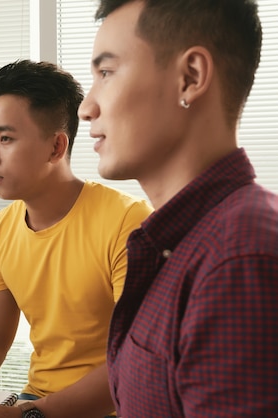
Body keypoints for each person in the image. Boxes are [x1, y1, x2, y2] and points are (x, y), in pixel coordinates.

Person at [78, 0, 278, 416]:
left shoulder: (239, 259)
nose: (86, 107)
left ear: (190, 77)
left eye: (107, 73)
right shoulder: (179, 242)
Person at [0, 59, 153, 418]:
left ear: (55, 148)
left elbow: (136, 362)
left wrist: (31, 415)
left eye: (5, 139)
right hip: (35, 402)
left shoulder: (128, 220)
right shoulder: (1, 229)